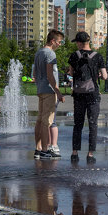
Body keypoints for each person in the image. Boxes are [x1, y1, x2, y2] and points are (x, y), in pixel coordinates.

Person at [66, 31, 108, 163]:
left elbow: (70, 73)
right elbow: (105, 76)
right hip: (93, 95)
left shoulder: (74, 56)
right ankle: (90, 155)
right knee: (93, 124)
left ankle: (74, 153)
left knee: (77, 124)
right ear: (88, 42)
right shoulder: (98, 56)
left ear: (79, 42)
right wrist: (99, 75)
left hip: (78, 95)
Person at [33, 30, 65, 159]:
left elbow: (35, 73)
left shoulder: (38, 52)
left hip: (41, 89)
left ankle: (38, 148)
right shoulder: (50, 54)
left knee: (40, 120)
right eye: (59, 42)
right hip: (49, 91)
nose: (60, 44)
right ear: (52, 41)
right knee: (47, 121)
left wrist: (39, 85)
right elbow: (50, 75)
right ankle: (45, 150)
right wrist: (58, 91)